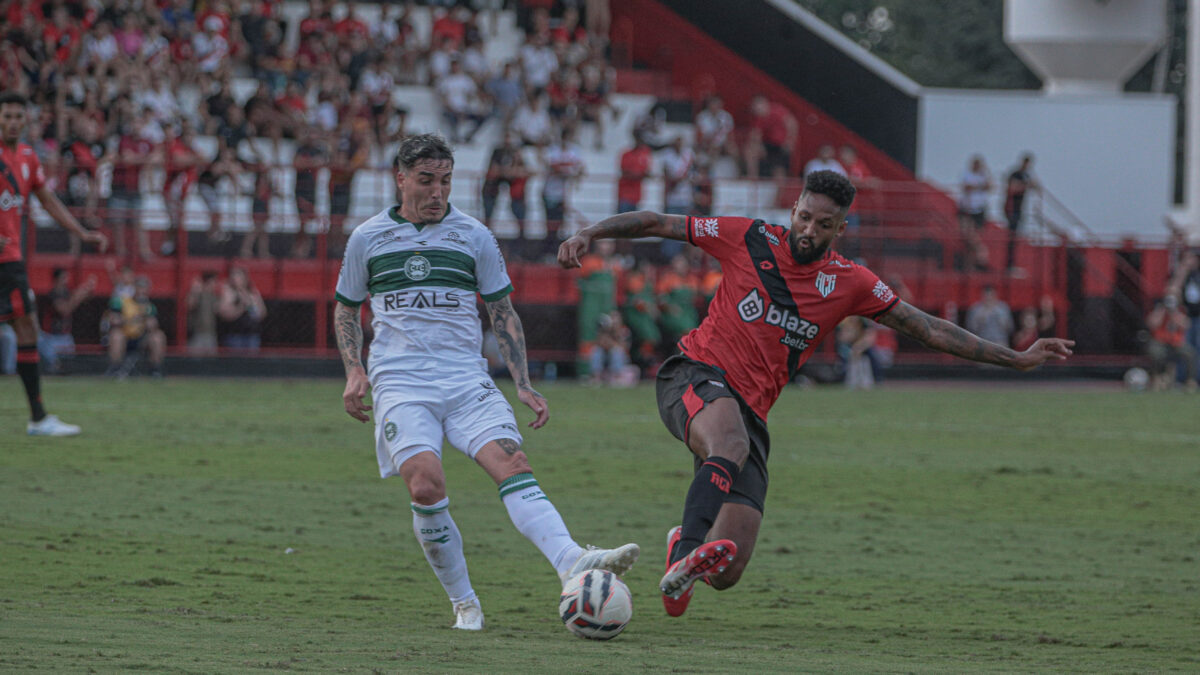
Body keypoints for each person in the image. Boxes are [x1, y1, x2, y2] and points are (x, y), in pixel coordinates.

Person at [557, 170, 1074, 617]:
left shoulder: (851, 282)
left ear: (840, 229)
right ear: (794, 210)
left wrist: (1015, 357)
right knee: (729, 445)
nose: (809, 230)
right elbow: (658, 222)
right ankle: (683, 555)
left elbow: (927, 327)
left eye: (823, 224)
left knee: (729, 569)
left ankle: (687, 547)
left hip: (751, 413)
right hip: (693, 373)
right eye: (804, 217)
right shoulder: (748, 238)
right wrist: (590, 232)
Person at [333, 134, 639, 631]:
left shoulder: (473, 235)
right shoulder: (368, 238)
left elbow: (502, 311)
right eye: (427, 180)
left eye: (446, 180)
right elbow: (346, 309)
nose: (438, 192)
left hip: (465, 377)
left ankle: (571, 560)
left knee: (512, 462)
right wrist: (354, 369)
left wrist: (523, 382)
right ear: (401, 179)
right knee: (426, 485)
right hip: (402, 381)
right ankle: (465, 603)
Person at [1, 92, 108, 435]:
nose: (12, 122)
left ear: (26, 120)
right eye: (6, 115)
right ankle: (38, 419)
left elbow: (48, 201)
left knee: (26, 327)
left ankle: (38, 418)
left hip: (9, 260)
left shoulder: (28, 157)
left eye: (18, 116)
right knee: (25, 327)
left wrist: (82, 232)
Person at [105, 276, 166, 379]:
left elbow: (153, 324)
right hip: (125, 335)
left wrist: (145, 319)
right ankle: (115, 368)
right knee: (116, 335)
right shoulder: (122, 302)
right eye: (139, 287)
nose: (141, 291)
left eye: (144, 288)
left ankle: (155, 370)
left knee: (158, 337)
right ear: (134, 288)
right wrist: (131, 320)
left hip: (141, 339)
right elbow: (113, 319)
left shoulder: (149, 307)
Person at [39, 268, 96, 374]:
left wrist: (87, 288)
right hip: (50, 337)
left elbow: (86, 298)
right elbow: (65, 310)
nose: (66, 280)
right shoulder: (52, 294)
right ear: (56, 279)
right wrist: (78, 295)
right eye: (64, 278)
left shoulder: (67, 292)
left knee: (68, 366)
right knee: (54, 365)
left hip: (65, 336)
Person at [1145, 293, 1196, 391]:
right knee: (1156, 352)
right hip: (1160, 342)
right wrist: (1161, 311)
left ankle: (1190, 381)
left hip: (1175, 343)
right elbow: (1152, 324)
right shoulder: (1159, 310)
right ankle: (1157, 377)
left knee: (1190, 353)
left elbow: (1186, 325)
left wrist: (1174, 313)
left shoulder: (1181, 310)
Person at [1003, 153, 1039, 274]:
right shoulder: (1015, 174)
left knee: (1015, 237)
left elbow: (1036, 186)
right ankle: (1009, 265)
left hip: (1019, 209)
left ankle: (1012, 264)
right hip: (1011, 208)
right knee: (1011, 237)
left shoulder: (1026, 175)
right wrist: (1026, 186)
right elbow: (1012, 188)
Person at [958, 155, 993, 270]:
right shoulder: (967, 174)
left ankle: (973, 263)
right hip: (967, 210)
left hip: (979, 210)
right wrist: (981, 186)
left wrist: (986, 172)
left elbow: (990, 186)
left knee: (975, 237)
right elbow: (967, 187)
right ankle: (980, 254)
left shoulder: (983, 175)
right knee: (970, 237)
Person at [218, 266, 266, 350]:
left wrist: (250, 305)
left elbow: (261, 314)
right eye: (233, 277)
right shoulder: (228, 293)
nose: (235, 279)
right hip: (235, 335)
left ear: (245, 279)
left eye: (238, 277)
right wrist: (241, 307)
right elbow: (225, 314)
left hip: (252, 335)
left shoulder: (253, 292)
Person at [186, 271, 221, 355]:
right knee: (195, 359)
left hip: (211, 334)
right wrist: (194, 290)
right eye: (213, 281)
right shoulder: (198, 294)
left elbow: (220, 310)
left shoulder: (214, 296)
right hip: (197, 334)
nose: (214, 284)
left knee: (211, 360)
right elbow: (189, 304)